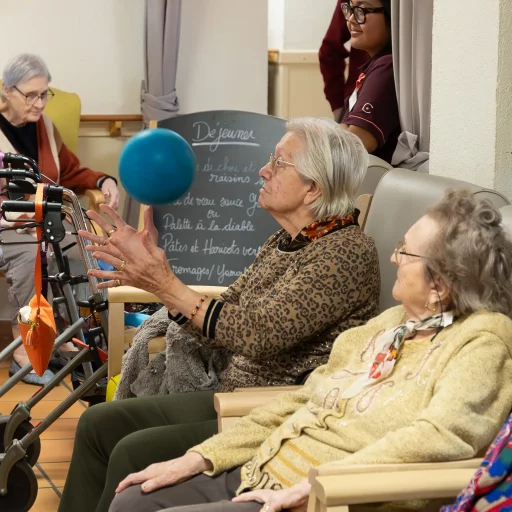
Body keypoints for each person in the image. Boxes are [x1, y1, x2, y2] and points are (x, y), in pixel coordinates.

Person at [105, 189, 512, 511]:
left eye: (404, 252)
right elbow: (304, 400)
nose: (393, 257)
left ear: (439, 284)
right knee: (133, 499)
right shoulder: (390, 325)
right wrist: (201, 457)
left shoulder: (482, 343)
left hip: (328, 498)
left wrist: (317, 485)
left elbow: (440, 437)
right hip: (267, 470)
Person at [58, 118, 382, 512]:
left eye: (279, 163)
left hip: (271, 409)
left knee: (130, 449)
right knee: (98, 424)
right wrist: (161, 284)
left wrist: (165, 284)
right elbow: (223, 322)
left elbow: (258, 334)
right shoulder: (286, 242)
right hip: (233, 393)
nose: (264, 170)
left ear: (313, 188)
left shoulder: (345, 254)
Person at [0, 53, 120, 384]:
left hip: (45, 222)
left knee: (86, 248)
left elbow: (68, 172)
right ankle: (25, 353)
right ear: (7, 91)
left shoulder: (43, 125)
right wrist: (45, 215)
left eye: (44, 94)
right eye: (30, 95)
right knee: (32, 249)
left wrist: (101, 180)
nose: (39, 104)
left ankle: (80, 338)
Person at [338, 0, 401, 163]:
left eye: (363, 10)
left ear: (391, 15)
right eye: (350, 9)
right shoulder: (373, 65)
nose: (351, 19)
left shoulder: (387, 66)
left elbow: (354, 144)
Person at [319, 0, 370, 121]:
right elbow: (329, 50)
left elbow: (329, 50)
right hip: (357, 100)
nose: (351, 19)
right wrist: (338, 105)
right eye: (351, 9)